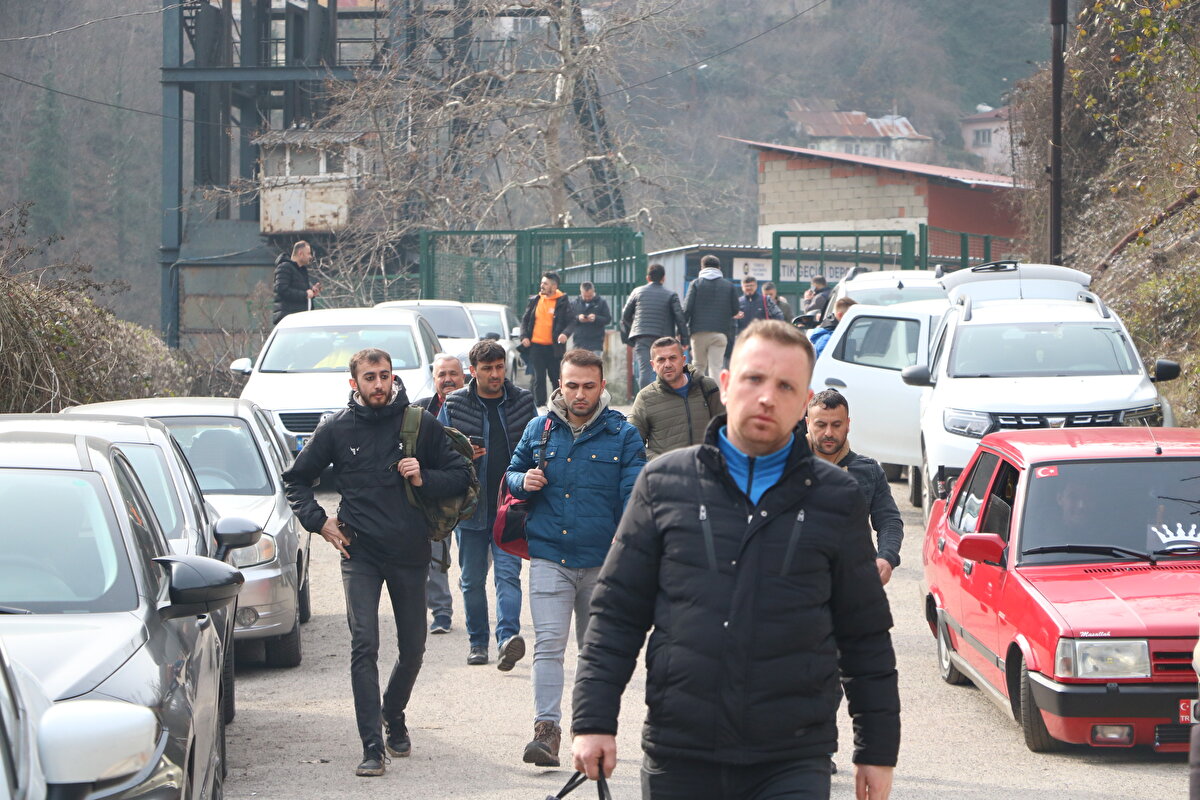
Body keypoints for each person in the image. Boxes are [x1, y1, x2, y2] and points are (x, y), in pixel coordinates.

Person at [571, 319, 900, 800]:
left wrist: (877, 749)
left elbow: (864, 633)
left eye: (785, 386)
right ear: (725, 385)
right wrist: (593, 721)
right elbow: (617, 613)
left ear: (804, 402)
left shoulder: (836, 497)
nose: (767, 397)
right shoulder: (664, 485)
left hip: (793, 758)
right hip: (681, 752)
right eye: (754, 379)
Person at [282, 348, 472, 778]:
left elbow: (461, 474)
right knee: (364, 646)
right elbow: (296, 479)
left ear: (393, 378)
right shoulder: (336, 427)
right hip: (359, 553)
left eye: (385, 376)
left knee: (413, 649)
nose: (379, 384)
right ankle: (371, 747)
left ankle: (393, 712)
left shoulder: (419, 423)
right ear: (355, 383)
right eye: (370, 377)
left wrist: (424, 476)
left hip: (409, 551)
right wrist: (319, 522)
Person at [505, 349, 646, 768]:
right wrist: (523, 480)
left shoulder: (624, 435)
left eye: (588, 386)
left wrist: (628, 539)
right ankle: (546, 731)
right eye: (572, 386)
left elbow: (635, 493)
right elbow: (511, 473)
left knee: (594, 652)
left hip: (603, 561)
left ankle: (589, 729)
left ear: (602, 386)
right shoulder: (540, 427)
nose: (580, 394)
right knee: (549, 645)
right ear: (559, 386)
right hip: (550, 554)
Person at [438, 339, 537, 667]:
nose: (495, 374)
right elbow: (436, 450)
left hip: (511, 506)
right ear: (473, 370)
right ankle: (478, 642)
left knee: (508, 576)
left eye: (499, 367)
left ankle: (507, 639)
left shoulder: (522, 401)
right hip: (470, 507)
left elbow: (539, 446)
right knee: (472, 579)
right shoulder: (454, 404)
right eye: (487, 368)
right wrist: (462, 454)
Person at [806, 389, 903, 585]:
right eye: (821, 425)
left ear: (848, 425)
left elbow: (889, 521)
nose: (829, 433)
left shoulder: (869, 471)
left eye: (836, 425)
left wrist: (886, 557)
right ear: (808, 423)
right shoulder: (785, 468)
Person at [413, 353, 469, 634]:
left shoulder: (476, 405)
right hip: (437, 494)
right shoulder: (419, 412)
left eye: (453, 374)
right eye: (441, 375)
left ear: (464, 376)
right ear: (434, 379)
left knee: (476, 561)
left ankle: (469, 582)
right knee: (435, 556)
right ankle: (441, 612)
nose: (448, 379)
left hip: (473, 496)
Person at [628, 337, 725, 459]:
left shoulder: (707, 386)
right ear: (653, 365)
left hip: (707, 467)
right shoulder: (645, 398)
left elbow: (726, 429)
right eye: (661, 360)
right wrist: (661, 462)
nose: (667, 364)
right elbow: (632, 443)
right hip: (667, 470)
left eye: (672, 358)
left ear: (683, 360)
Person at [621, 264, 689, 391]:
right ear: (663, 278)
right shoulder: (671, 295)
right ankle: (664, 397)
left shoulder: (637, 292)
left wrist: (635, 328)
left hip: (642, 336)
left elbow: (625, 315)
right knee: (665, 368)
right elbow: (680, 317)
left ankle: (646, 399)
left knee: (645, 370)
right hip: (663, 339)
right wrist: (684, 340)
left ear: (648, 278)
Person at [521, 271, 576, 407]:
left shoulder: (562, 301)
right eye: (542, 283)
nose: (542, 286)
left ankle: (558, 405)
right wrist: (524, 336)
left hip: (554, 348)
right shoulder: (535, 300)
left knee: (555, 378)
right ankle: (540, 406)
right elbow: (525, 320)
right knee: (538, 378)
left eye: (545, 283)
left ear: (554, 286)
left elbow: (572, 322)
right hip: (536, 347)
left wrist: (565, 334)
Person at [683, 254, 742, 379]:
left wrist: (681, 332)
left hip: (698, 333)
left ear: (702, 267)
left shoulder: (695, 284)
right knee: (716, 367)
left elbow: (687, 309)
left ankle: (697, 392)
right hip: (720, 333)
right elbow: (735, 310)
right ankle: (715, 392)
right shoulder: (729, 285)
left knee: (698, 366)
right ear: (719, 268)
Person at [273, 240, 321, 325]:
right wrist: (305, 294)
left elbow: (299, 291)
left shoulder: (301, 270)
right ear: (300, 253)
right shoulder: (285, 267)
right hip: (289, 319)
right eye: (308, 253)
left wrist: (312, 293)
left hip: (300, 318)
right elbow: (282, 289)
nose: (310, 257)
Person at [571, 281, 612, 356]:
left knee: (594, 362)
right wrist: (578, 318)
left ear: (593, 291)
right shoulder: (575, 303)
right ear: (581, 292)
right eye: (585, 296)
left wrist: (596, 318)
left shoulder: (601, 302)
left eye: (590, 296)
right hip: (579, 341)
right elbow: (569, 319)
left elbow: (608, 319)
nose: (587, 298)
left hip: (596, 342)